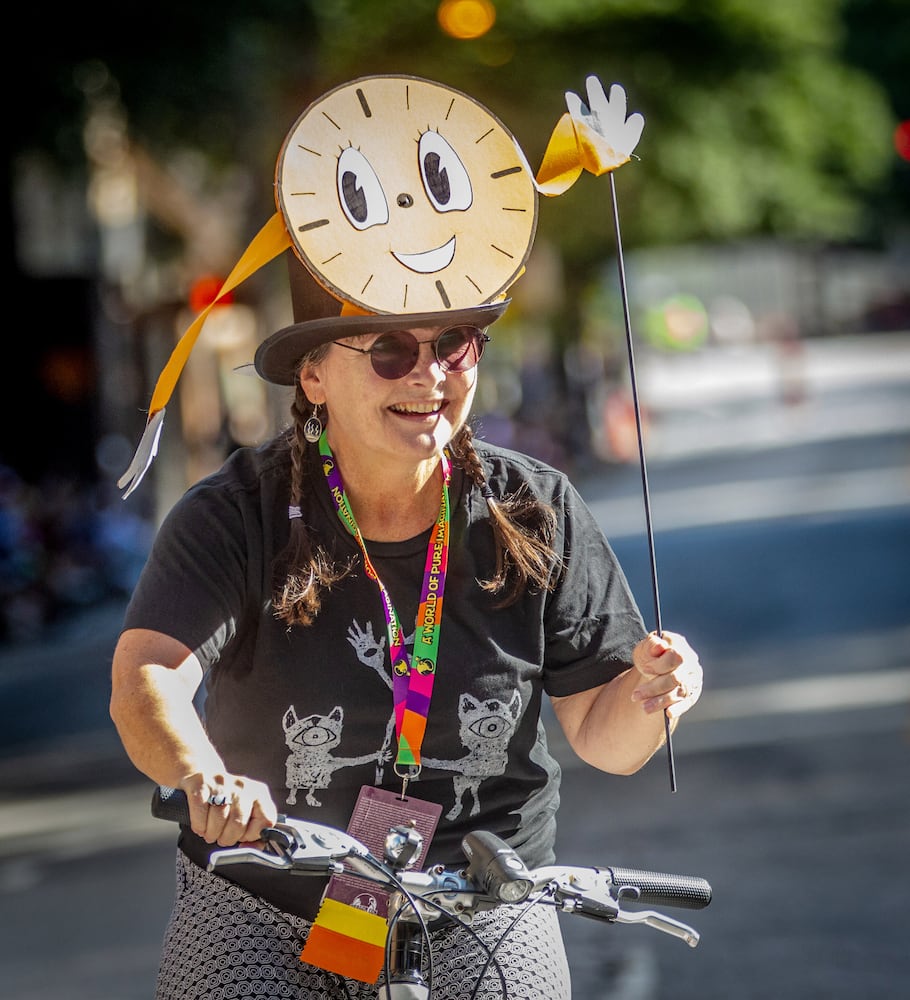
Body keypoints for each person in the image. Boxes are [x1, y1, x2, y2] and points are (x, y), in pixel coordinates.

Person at [109, 73, 703, 1000]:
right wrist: (204, 781)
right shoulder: (232, 514)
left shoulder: (534, 508)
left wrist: (656, 691)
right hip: (267, 901)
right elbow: (147, 678)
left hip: (486, 900)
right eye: (390, 349)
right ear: (313, 375)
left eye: (455, 344)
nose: (429, 375)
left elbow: (605, 737)